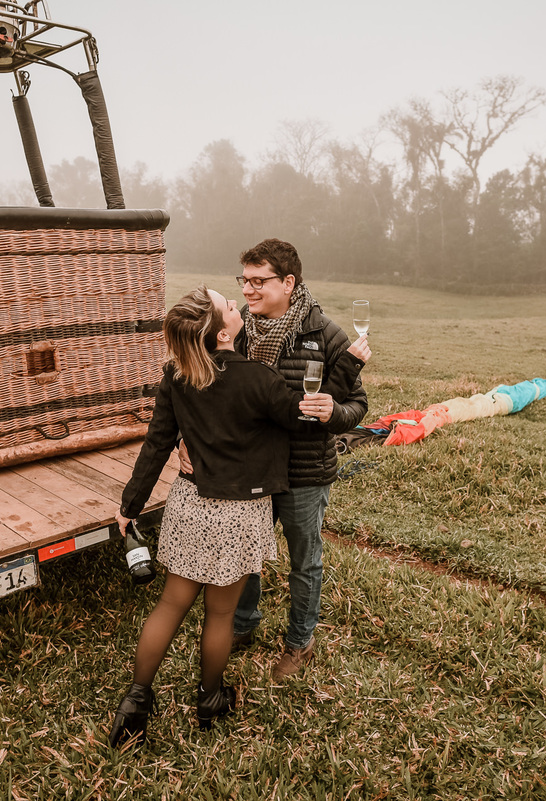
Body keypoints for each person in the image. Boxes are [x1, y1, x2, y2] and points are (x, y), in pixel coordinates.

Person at [109, 285, 334, 745]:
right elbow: (300, 418)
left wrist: (128, 507)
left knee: (170, 606)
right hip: (239, 514)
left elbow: (156, 444)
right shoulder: (258, 379)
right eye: (229, 306)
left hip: (190, 505)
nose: (237, 303)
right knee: (219, 615)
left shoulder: (177, 375)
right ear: (222, 334)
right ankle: (210, 700)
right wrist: (348, 365)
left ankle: (135, 700)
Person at [181, 238, 369, 682]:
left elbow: (356, 405)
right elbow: (205, 391)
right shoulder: (232, 329)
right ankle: (243, 625)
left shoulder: (327, 334)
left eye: (257, 281)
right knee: (246, 556)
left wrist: (334, 413)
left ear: (288, 282)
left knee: (306, 561)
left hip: (305, 472)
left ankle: (299, 641)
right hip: (251, 470)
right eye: (242, 281)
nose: (247, 290)